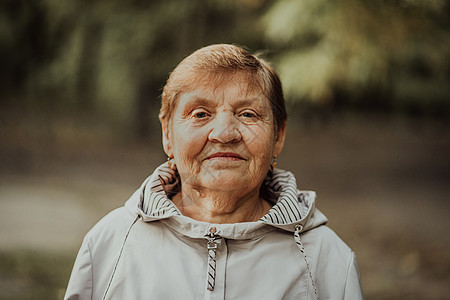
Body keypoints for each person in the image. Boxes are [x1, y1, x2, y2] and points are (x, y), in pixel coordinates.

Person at [64, 44, 363, 300]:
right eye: (200, 114)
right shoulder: (109, 243)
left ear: (278, 136)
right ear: (167, 133)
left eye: (248, 114)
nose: (224, 133)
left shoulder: (328, 260)